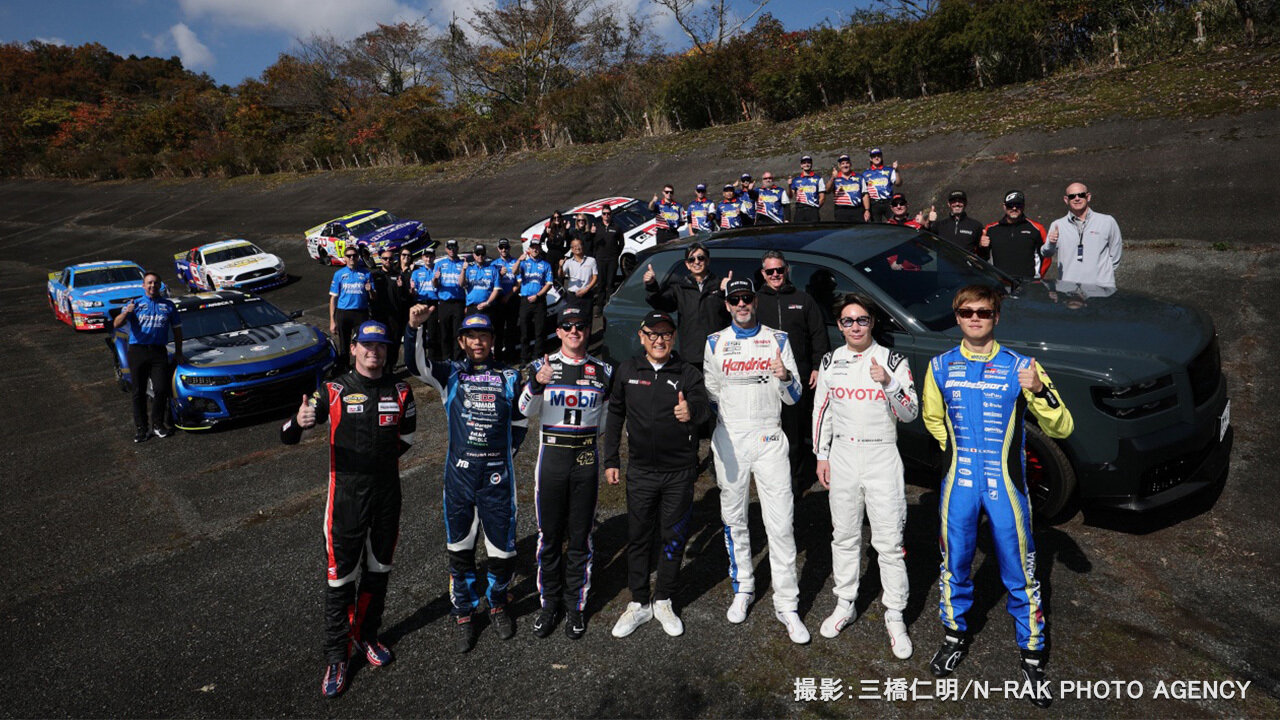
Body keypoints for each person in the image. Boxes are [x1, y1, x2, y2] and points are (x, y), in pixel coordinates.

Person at [921, 285, 1073, 708]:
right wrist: (953, 452)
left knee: (1020, 571)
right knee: (954, 564)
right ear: (957, 317)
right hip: (959, 483)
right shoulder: (939, 366)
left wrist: (1039, 391)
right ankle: (954, 636)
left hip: (1006, 486)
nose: (975, 318)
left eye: (983, 312)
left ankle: (1032, 657)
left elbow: (1062, 427)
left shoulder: (1022, 366)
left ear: (996, 317)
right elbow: (932, 418)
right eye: (967, 312)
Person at [281, 321, 416, 698]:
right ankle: (336, 656)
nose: (374, 351)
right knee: (340, 579)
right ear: (353, 348)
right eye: (367, 345)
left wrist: (378, 462)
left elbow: (407, 438)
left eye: (381, 345)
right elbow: (287, 434)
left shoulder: (401, 390)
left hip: (387, 495)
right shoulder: (333, 389)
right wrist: (299, 422)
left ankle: (366, 635)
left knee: (379, 571)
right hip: (346, 499)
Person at [405, 310, 528, 652]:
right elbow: (416, 366)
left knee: (503, 552)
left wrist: (506, 454)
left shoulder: (509, 376)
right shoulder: (451, 374)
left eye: (483, 335)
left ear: (492, 340)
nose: (478, 342)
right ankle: (464, 612)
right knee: (460, 551)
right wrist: (414, 327)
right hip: (459, 478)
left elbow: (520, 422)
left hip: (498, 479)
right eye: (471, 336)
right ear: (461, 341)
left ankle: (498, 603)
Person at [703, 278, 809, 644]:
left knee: (781, 524)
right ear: (727, 304)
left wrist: (785, 376)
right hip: (731, 438)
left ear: (755, 301)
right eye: (735, 299)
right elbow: (711, 393)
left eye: (747, 298)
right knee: (734, 519)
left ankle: (787, 604)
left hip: (769, 437)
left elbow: (794, 396)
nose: (741, 304)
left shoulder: (778, 339)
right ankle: (744, 587)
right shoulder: (714, 342)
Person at [812, 295, 918, 659]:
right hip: (842, 455)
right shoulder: (831, 361)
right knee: (844, 536)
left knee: (889, 542)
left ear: (872, 322)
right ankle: (845, 603)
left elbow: (910, 413)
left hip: (881, 454)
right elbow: (821, 411)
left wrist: (888, 383)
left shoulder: (892, 360)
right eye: (847, 321)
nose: (855, 326)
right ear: (839, 326)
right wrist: (821, 455)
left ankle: (895, 614)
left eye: (861, 320)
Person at [603, 311, 712, 638]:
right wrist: (611, 459)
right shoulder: (627, 370)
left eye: (665, 334)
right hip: (641, 471)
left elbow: (705, 409)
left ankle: (664, 598)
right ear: (641, 337)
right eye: (652, 334)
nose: (659, 340)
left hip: (679, 472)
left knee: (672, 537)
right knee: (638, 536)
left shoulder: (688, 372)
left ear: (673, 337)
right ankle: (639, 602)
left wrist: (691, 411)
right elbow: (615, 414)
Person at [519, 306, 614, 640]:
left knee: (580, 536)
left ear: (588, 330)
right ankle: (549, 603)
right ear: (558, 331)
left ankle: (575, 605)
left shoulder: (603, 370)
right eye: (567, 326)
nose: (574, 331)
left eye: (580, 325)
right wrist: (536, 383)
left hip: (585, 457)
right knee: (548, 536)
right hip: (552, 459)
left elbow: (605, 420)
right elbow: (524, 410)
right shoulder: (542, 366)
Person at [754, 251, 829, 487]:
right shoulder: (755, 301)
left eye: (779, 270)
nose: (775, 274)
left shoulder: (803, 299)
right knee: (768, 433)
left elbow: (818, 335)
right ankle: (769, 480)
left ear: (786, 270)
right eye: (770, 271)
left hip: (797, 378)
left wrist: (817, 366)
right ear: (763, 273)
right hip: (765, 379)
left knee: (794, 434)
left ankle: (794, 482)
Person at [114, 271, 182, 442]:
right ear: (143, 285)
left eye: (156, 283)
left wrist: (179, 352)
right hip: (137, 351)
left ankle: (158, 424)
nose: (153, 286)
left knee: (161, 389)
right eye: (149, 283)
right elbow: (116, 323)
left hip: (158, 352)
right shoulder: (134, 304)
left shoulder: (168, 305)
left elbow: (177, 330)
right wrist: (127, 312)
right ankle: (141, 429)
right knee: (138, 391)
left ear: (160, 285)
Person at [642, 242, 729, 369]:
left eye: (701, 258)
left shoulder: (720, 285)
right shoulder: (679, 287)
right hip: (691, 356)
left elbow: (736, 312)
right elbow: (662, 305)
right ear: (687, 264)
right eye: (691, 259)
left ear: (708, 261)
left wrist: (729, 292)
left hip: (718, 354)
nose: (696, 262)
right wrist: (651, 285)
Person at [1042, 182, 1123, 287]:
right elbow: (1046, 253)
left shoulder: (1107, 221)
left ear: (1088, 197)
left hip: (1101, 289)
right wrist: (1051, 243)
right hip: (1069, 289)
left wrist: (1104, 277)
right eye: (1072, 196)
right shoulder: (1057, 225)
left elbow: (1115, 255)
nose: (1077, 199)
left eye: (1081, 195)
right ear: (1066, 200)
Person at [976, 191, 1048, 279]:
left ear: (1023, 206)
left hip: (1028, 283)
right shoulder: (991, 229)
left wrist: (1037, 278)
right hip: (1000, 282)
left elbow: (1046, 256)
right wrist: (981, 246)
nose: (1014, 208)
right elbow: (982, 258)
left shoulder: (1037, 228)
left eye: (1018, 205)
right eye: (1010, 205)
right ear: (1004, 206)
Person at [328, 247, 371, 373]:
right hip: (343, 313)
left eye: (354, 255)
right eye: (349, 256)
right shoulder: (338, 274)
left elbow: (374, 297)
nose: (352, 258)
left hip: (361, 313)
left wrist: (371, 291)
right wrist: (332, 321)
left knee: (361, 342)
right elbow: (333, 298)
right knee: (344, 344)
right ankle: (344, 368)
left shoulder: (366, 273)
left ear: (358, 257)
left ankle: (361, 368)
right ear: (344, 258)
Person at [516, 239, 555, 363]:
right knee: (524, 331)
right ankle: (524, 358)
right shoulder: (523, 263)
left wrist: (537, 296)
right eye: (532, 247)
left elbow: (549, 284)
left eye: (537, 247)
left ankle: (537, 358)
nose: (535, 249)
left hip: (539, 301)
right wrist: (519, 260)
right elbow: (514, 272)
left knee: (540, 331)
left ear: (540, 249)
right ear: (529, 249)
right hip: (525, 300)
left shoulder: (546, 265)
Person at [369, 249, 404, 370]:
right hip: (379, 315)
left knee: (394, 342)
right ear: (381, 260)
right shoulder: (374, 275)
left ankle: (390, 366)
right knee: (378, 342)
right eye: (385, 258)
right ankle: (378, 365)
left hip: (395, 315)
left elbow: (404, 297)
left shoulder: (398, 275)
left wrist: (401, 287)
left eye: (390, 258)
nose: (388, 261)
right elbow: (370, 296)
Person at [434, 239, 467, 358]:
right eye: (449, 248)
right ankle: (446, 359)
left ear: (457, 248)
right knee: (444, 333)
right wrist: (435, 278)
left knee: (457, 333)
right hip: (444, 303)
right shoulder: (439, 264)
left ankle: (457, 359)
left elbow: (463, 284)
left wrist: (464, 270)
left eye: (454, 247)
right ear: (446, 249)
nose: (452, 250)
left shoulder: (463, 264)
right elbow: (434, 285)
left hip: (458, 302)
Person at [409, 248, 441, 361]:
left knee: (433, 332)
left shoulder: (438, 270)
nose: (428, 259)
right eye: (426, 257)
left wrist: (437, 278)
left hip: (434, 303)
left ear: (434, 257)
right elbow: (413, 291)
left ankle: (433, 358)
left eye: (431, 257)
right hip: (421, 303)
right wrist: (412, 290)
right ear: (422, 258)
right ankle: (420, 358)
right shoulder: (416, 272)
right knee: (420, 333)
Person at [492, 238, 521, 360]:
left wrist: (508, 296)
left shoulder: (515, 262)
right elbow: (491, 283)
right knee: (498, 330)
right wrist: (499, 275)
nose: (504, 250)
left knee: (511, 329)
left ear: (509, 248)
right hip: (498, 300)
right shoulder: (494, 264)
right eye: (501, 247)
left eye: (506, 247)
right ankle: (498, 356)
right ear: (498, 249)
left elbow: (519, 283)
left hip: (512, 299)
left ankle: (511, 356)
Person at [592, 206, 624, 314]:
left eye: (608, 213)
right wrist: (592, 233)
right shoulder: (597, 227)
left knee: (610, 283)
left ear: (611, 214)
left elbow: (621, 243)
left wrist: (616, 254)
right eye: (604, 213)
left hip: (612, 260)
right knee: (601, 283)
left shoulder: (616, 227)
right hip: (600, 259)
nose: (606, 215)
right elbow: (591, 242)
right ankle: (599, 306)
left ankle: (609, 306)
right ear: (601, 215)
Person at [862, 148, 901, 223]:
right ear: (870, 159)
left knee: (894, 223)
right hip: (874, 203)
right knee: (876, 226)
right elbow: (864, 191)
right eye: (874, 156)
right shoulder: (865, 173)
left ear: (882, 157)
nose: (876, 158)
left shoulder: (889, 170)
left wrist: (896, 171)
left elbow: (898, 183)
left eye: (878, 155)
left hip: (888, 202)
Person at [464, 243, 502, 319]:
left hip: (488, 307)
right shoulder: (468, 269)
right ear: (474, 255)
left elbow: (496, 289)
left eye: (482, 254)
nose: (480, 256)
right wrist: (463, 270)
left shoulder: (493, 269)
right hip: (472, 307)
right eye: (478, 254)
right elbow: (461, 284)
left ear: (485, 254)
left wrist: (487, 303)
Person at [561, 236, 598, 313]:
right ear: (571, 249)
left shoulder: (591, 260)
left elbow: (595, 277)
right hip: (572, 296)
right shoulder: (568, 262)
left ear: (583, 246)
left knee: (587, 317)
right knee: (573, 317)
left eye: (579, 245)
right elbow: (561, 275)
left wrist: (586, 290)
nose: (577, 248)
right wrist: (560, 267)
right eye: (574, 246)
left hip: (587, 294)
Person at [830, 154, 867, 223]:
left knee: (859, 229)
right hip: (841, 210)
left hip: (857, 210)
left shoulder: (859, 177)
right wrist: (832, 178)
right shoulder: (835, 178)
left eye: (847, 163)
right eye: (843, 163)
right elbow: (827, 190)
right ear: (839, 166)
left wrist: (867, 210)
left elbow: (865, 194)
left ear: (850, 164)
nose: (845, 165)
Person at [788, 155, 825, 223]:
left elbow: (822, 198)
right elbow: (790, 196)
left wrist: (815, 209)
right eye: (804, 163)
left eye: (808, 162)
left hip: (813, 209)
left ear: (811, 164)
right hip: (799, 210)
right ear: (801, 165)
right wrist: (789, 186)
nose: (806, 164)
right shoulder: (796, 180)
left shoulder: (819, 179)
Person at [540, 211, 570, 276]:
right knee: (549, 274)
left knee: (559, 275)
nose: (557, 219)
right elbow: (541, 240)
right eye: (555, 217)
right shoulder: (549, 228)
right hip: (550, 255)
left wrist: (563, 252)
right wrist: (546, 233)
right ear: (552, 219)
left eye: (558, 217)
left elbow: (568, 243)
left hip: (560, 254)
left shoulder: (564, 229)